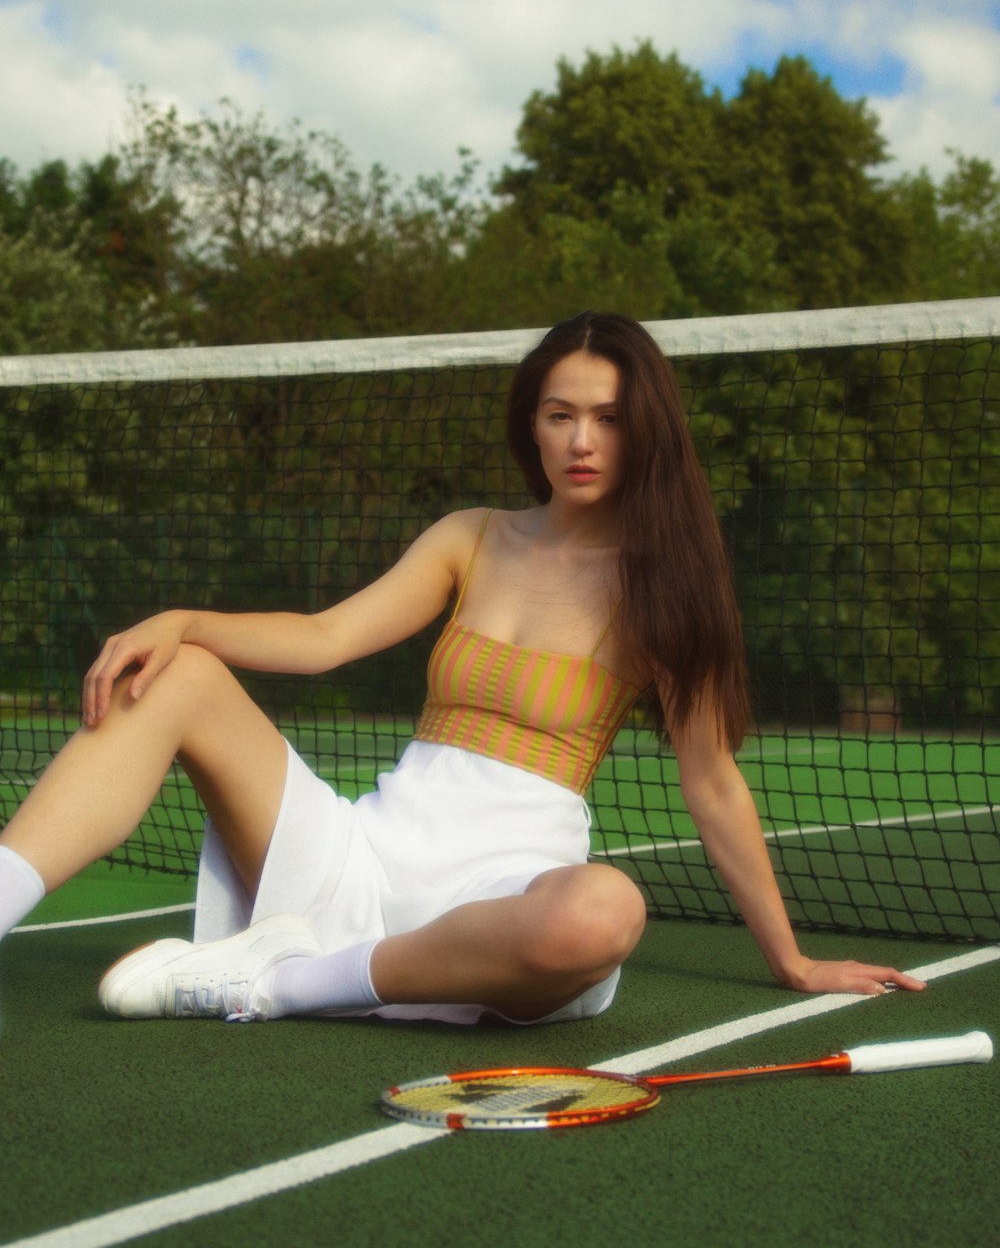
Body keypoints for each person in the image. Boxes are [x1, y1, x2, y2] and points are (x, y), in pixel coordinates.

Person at [0, 312, 925, 1024]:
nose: (581, 441)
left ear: (645, 431)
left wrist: (794, 962)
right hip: (357, 862)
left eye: (607, 418)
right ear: (532, 424)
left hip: (500, 906)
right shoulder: (469, 537)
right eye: (560, 414)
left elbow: (713, 784)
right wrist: (183, 619)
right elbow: (325, 639)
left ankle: (282, 986)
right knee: (178, 672)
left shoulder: (669, 587)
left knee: (604, 914)